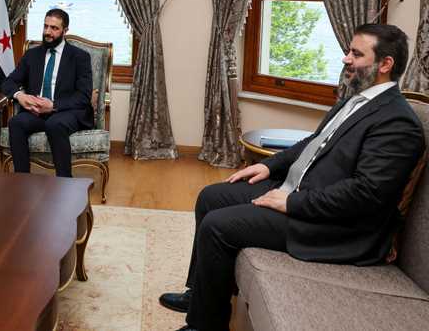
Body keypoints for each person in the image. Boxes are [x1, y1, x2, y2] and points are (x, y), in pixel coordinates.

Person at [159, 23, 425, 331]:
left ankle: (204, 326)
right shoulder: (357, 99)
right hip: (300, 190)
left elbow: (365, 195)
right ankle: (200, 295)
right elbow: (314, 142)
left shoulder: (398, 122)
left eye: (356, 53)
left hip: (332, 224)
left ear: (385, 64)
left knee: (218, 226)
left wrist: (291, 203)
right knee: (211, 197)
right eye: (348, 52)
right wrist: (270, 167)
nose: (346, 59)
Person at [1, 8, 93, 177]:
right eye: (45, 26)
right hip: (36, 112)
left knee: (54, 124)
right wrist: (20, 96)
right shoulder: (32, 55)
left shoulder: (80, 57)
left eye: (54, 28)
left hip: (66, 112)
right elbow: (8, 82)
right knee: (16, 122)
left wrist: (53, 105)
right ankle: (22, 180)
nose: (48, 32)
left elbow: (83, 96)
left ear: (65, 30)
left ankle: (64, 182)